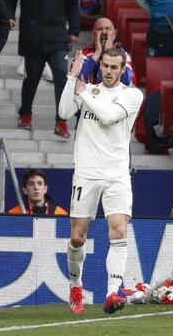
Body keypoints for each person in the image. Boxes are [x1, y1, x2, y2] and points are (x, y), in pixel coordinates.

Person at [59, 47, 143, 314]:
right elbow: (63, 113)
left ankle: (111, 294)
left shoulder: (132, 95)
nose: (108, 71)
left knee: (118, 231)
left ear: (123, 69)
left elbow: (108, 117)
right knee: (77, 237)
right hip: (86, 171)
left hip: (117, 174)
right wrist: (72, 79)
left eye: (113, 67)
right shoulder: (90, 90)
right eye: (104, 66)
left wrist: (82, 91)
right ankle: (76, 285)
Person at [2, 0, 80, 137]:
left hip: (57, 35)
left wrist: (74, 30)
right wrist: (9, 16)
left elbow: (73, 2)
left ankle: (61, 121)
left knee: (62, 77)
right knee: (32, 78)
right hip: (32, 35)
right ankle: (25, 113)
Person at [80, 17, 134, 85]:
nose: (104, 32)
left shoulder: (123, 55)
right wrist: (97, 54)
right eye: (100, 29)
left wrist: (108, 53)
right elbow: (77, 78)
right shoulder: (82, 54)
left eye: (108, 29)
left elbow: (126, 80)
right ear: (93, 35)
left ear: (114, 35)